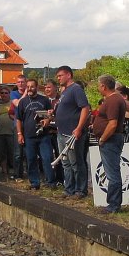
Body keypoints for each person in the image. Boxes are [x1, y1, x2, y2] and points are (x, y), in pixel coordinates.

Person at [93, 74, 127, 214]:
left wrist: (102, 139)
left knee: (112, 173)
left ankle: (113, 204)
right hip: (113, 139)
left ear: (103, 86)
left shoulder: (113, 100)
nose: (98, 88)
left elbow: (112, 124)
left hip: (110, 140)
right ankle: (113, 202)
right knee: (112, 171)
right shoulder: (116, 98)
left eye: (98, 85)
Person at [55, 66, 90, 198]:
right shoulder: (65, 91)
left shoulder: (76, 89)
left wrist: (79, 128)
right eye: (57, 76)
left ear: (68, 75)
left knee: (76, 162)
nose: (58, 78)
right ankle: (69, 188)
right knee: (66, 162)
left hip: (73, 133)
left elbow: (85, 108)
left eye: (60, 75)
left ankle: (80, 190)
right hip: (62, 133)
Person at [16, 78, 56, 189]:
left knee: (47, 158)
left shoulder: (44, 100)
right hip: (29, 136)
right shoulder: (22, 102)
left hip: (44, 135)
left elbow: (50, 114)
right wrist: (20, 134)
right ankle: (34, 183)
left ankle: (50, 182)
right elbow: (18, 119)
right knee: (31, 159)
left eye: (32, 86)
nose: (29, 89)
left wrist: (48, 120)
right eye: (27, 86)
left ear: (37, 87)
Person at [0, 87, 15, 178]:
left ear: (9, 94)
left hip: (11, 132)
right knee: (1, 152)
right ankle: (4, 171)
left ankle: (13, 170)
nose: (4, 94)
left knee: (12, 152)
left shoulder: (13, 103)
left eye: (6, 93)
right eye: (2, 93)